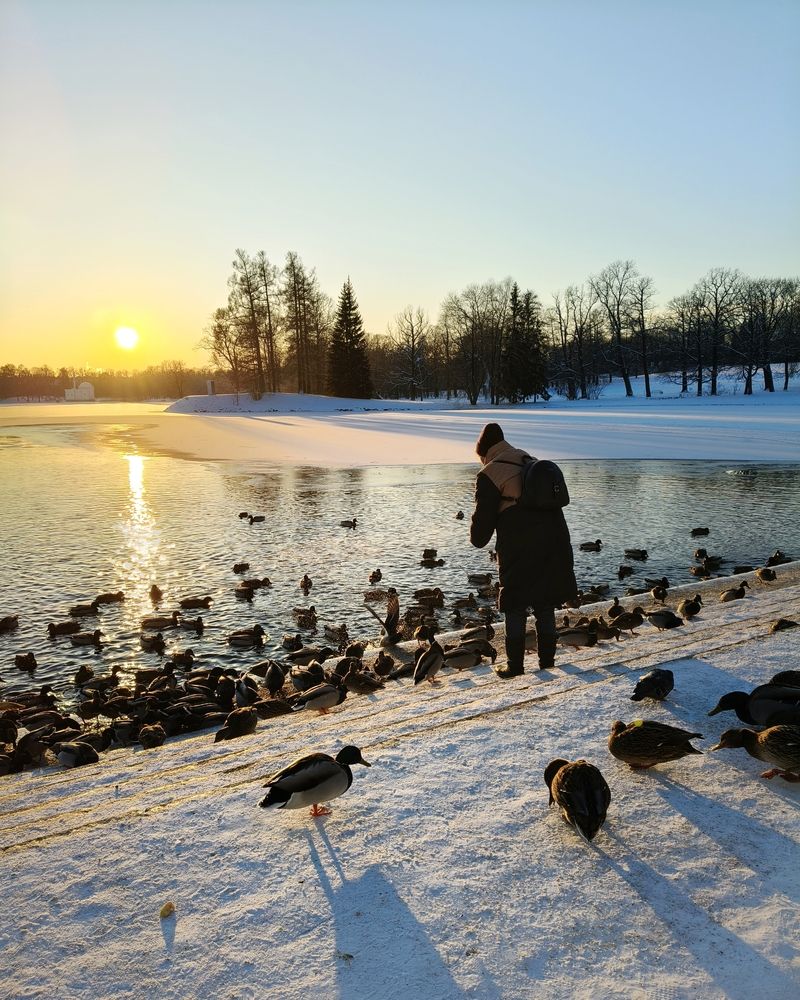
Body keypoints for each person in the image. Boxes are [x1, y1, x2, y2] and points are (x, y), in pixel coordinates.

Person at [469, 422, 577, 678]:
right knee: (545, 601)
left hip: (519, 542)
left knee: (515, 604)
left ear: (484, 451)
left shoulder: (490, 473)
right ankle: (547, 661)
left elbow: (480, 535)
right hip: (554, 537)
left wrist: (478, 530)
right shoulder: (529, 459)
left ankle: (515, 666)